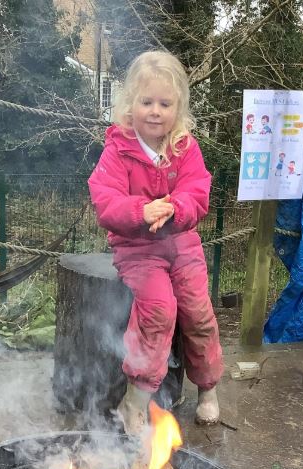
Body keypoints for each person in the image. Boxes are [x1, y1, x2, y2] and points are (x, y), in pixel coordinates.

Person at [88, 50, 223, 434]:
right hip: (138, 249)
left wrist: (176, 208)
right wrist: (140, 211)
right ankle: (136, 398)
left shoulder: (185, 148)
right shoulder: (117, 150)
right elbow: (105, 200)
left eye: (165, 104)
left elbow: (197, 191)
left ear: (178, 108)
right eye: (147, 102)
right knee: (159, 311)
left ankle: (208, 386)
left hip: (181, 243)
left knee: (198, 312)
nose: (155, 111)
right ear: (130, 103)